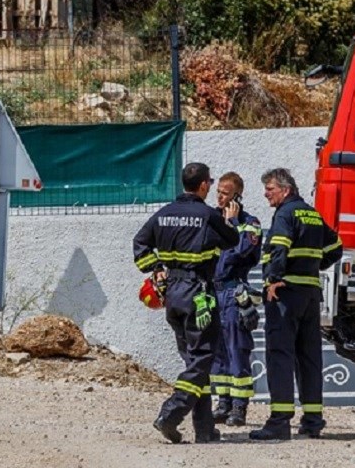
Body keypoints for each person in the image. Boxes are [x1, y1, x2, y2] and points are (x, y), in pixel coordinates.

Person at [133, 163, 239, 444]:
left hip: (173, 295)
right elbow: (232, 241)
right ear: (203, 185)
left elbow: (139, 244)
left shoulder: (164, 213)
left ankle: (204, 430)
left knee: (194, 362)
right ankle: (171, 412)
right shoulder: (207, 214)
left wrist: (155, 267)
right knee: (203, 358)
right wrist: (229, 220)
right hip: (200, 293)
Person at [250, 168, 342, 441]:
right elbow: (335, 246)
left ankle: (279, 421)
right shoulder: (312, 213)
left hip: (286, 294)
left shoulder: (285, 214)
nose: (266, 194)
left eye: (270, 189)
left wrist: (273, 279)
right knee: (309, 357)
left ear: (285, 189)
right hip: (310, 295)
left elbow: (278, 247)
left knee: (280, 356)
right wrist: (313, 266)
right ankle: (312, 421)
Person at [209, 172, 263, 427]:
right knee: (218, 352)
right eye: (218, 191)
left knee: (236, 351)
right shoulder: (210, 219)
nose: (219, 197)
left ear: (237, 196)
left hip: (233, 292)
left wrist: (231, 225)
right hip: (211, 292)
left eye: (225, 193)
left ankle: (239, 408)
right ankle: (223, 403)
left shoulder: (249, 223)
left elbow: (240, 252)